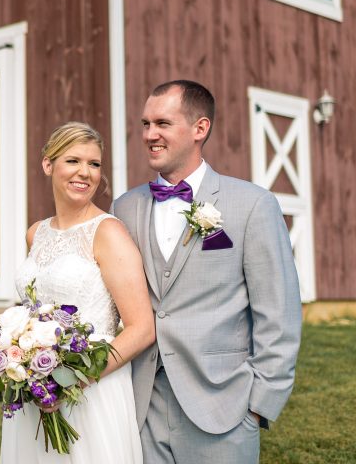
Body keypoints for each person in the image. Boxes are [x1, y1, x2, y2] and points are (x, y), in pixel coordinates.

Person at [112, 80, 302, 463]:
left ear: (200, 128)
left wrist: (259, 405)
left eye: (163, 123)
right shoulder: (125, 208)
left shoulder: (253, 205)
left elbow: (279, 313)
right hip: (143, 404)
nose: (150, 134)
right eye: (145, 124)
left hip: (223, 406)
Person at [2, 122, 154, 463]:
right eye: (73, 161)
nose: (85, 173)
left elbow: (142, 328)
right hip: (35, 389)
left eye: (94, 164)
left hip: (93, 389)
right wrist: (18, 356)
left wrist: (72, 381)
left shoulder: (108, 232)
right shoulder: (35, 233)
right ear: (48, 164)